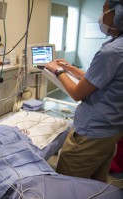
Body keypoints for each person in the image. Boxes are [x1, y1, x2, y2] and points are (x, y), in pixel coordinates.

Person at [45, 0, 123, 183]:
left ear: (117, 14)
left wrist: (57, 70)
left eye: (104, 10)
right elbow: (96, 78)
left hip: (91, 134)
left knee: (68, 184)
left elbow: (77, 93)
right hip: (110, 133)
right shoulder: (118, 46)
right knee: (95, 183)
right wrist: (70, 68)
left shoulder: (111, 52)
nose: (101, 15)